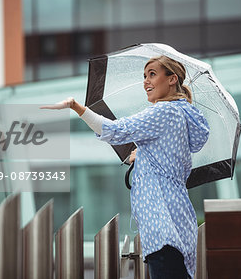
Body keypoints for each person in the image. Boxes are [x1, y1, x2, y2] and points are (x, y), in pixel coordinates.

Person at [41, 55, 209, 279]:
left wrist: (76, 107)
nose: (146, 81)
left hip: (162, 226)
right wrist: (143, 154)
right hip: (178, 223)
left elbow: (114, 130)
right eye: (144, 76)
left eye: (152, 74)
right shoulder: (181, 114)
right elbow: (167, 158)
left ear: (172, 79)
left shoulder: (164, 111)